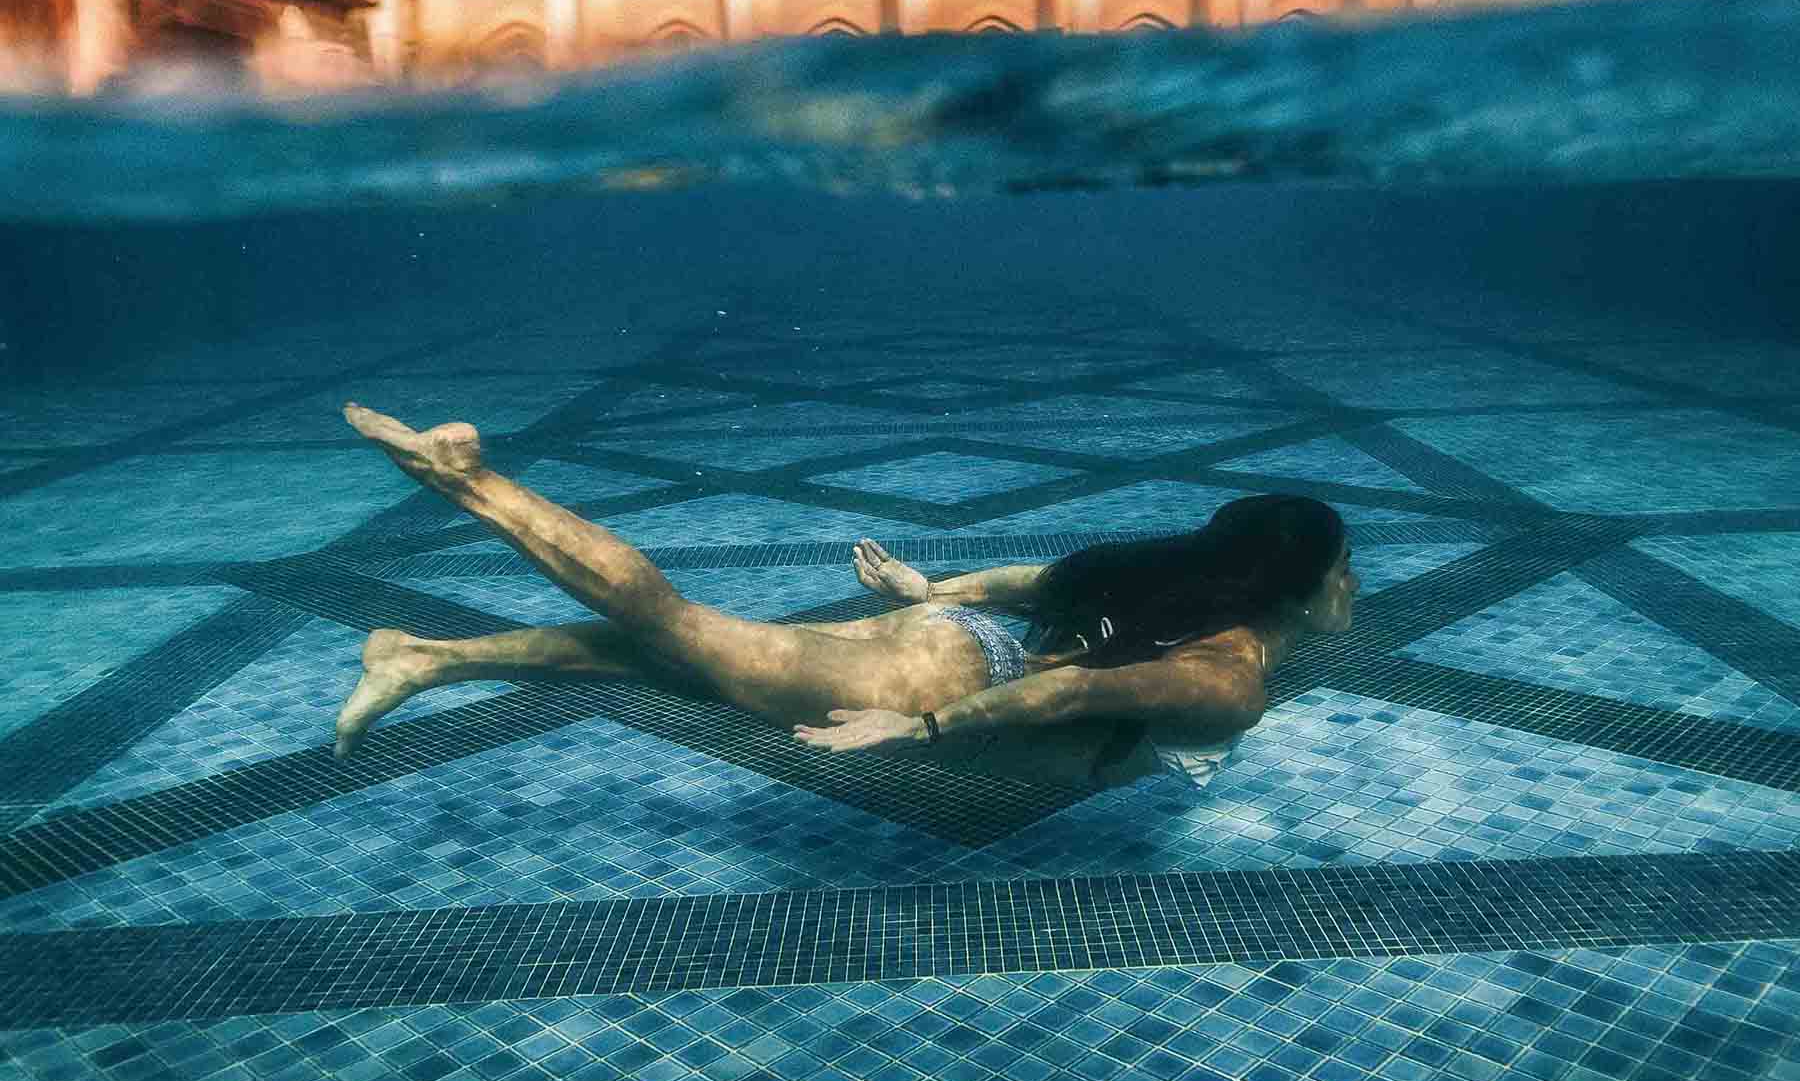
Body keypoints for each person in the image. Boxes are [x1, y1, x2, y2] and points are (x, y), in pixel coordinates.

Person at [332, 402, 1358, 788]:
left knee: (679, 660)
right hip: (937, 675)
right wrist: (919, 731)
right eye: (1342, 571)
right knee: (678, 623)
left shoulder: (1175, 580)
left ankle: (424, 657)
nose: (1354, 587)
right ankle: (467, 482)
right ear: (1298, 587)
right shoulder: (1231, 678)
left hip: (945, 635)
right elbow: (1069, 698)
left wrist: (929, 588)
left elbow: (1035, 586)